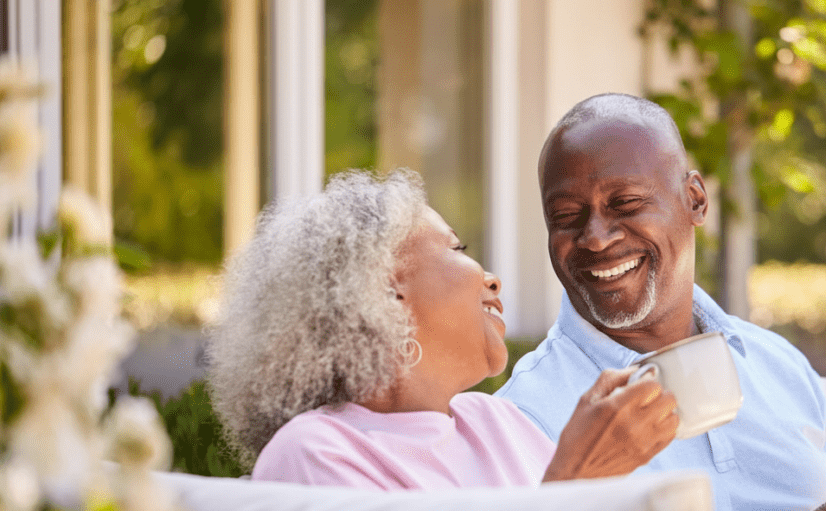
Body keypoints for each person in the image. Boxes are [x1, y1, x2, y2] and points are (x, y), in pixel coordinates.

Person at [496, 93, 826, 511]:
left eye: (626, 203)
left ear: (695, 200)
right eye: (567, 215)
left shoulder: (778, 365)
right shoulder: (527, 413)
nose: (595, 238)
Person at [206, 169, 679, 490]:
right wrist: (576, 480)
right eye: (457, 248)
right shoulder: (315, 452)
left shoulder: (499, 423)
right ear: (384, 296)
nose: (491, 278)